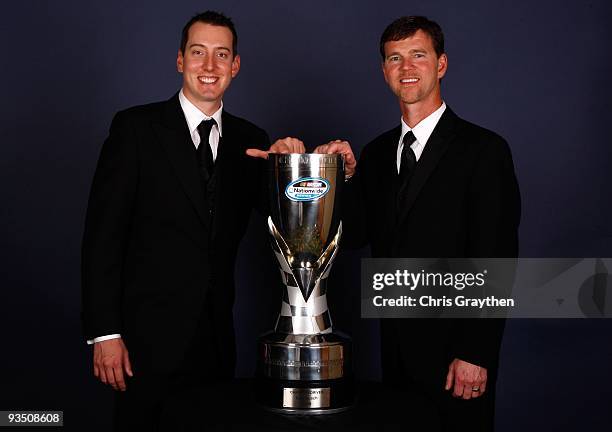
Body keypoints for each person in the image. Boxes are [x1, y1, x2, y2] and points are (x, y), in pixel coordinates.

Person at [81, 11, 305, 430]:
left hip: (217, 341)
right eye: (198, 53)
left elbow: (289, 225)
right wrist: (105, 333)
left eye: (222, 55)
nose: (209, 66)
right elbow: (102, 236)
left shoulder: (251, 141)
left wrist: (297, 167)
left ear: (235, 66)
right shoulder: (135, 129)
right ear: (180, 60)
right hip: (141, 343)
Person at [316, 15, 520, 431]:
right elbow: (355, 237)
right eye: (395, 58)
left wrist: (476, 353)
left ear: (440, 64)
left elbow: (497, 257)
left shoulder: (483, 150)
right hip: (395, 352)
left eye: (418, 56)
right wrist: (346, 180)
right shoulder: (374, 153)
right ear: (384, 70)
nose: (406, 68)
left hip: (457, 356)